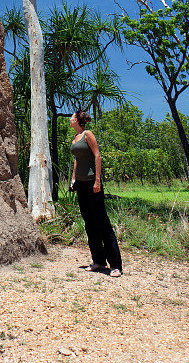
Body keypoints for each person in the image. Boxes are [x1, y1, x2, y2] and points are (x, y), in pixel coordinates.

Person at [69, 109, 122, 277]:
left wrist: (98, 180)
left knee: (102, 222)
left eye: (72, 117)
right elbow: (77, 159)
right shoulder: (75, 138)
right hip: (81, 184)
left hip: (93, 183)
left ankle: (115, 265)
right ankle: (99, 261)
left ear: (77, 119)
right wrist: (73, 179)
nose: (70, 119)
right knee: (89, 223)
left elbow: (97, 156)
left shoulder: (87, 134)